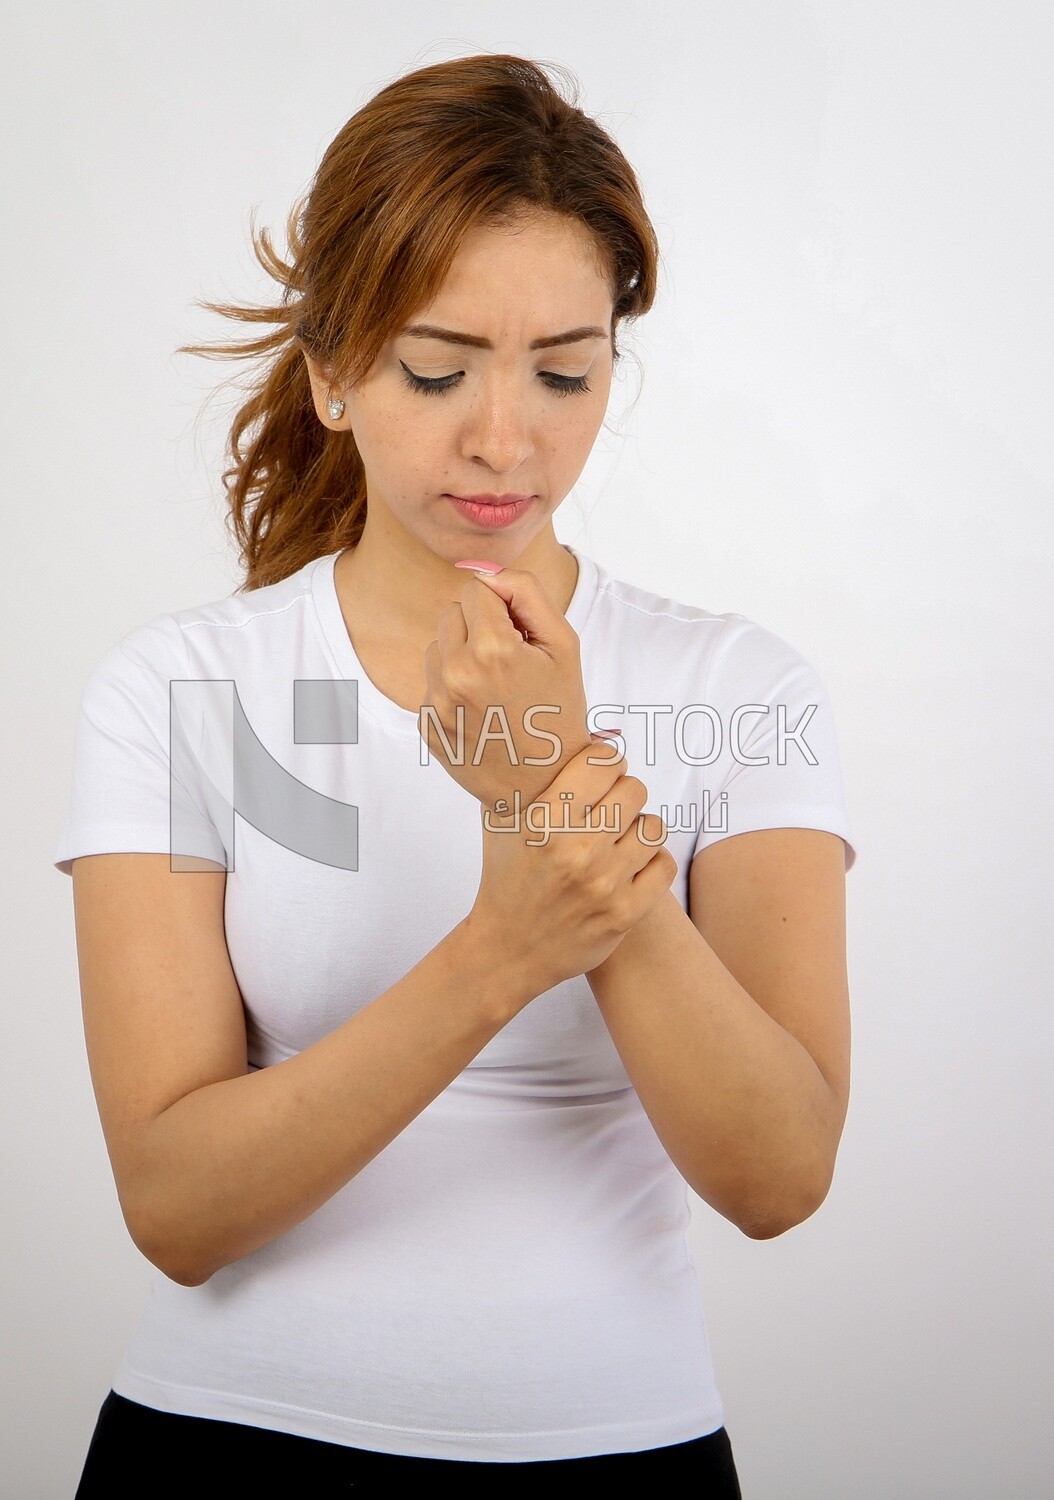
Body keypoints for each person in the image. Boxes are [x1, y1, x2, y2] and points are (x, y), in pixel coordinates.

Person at [56, 53, 856, 1497]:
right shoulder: (182, 689)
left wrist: (550, 776)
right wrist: (501, 949)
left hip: (617, 1449)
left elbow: (777, 1178)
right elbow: (175, 1208)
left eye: (564, 371)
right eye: (436, 370)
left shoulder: (738, 690)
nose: (505, 439)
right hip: (225, 1442)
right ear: (330, 374)